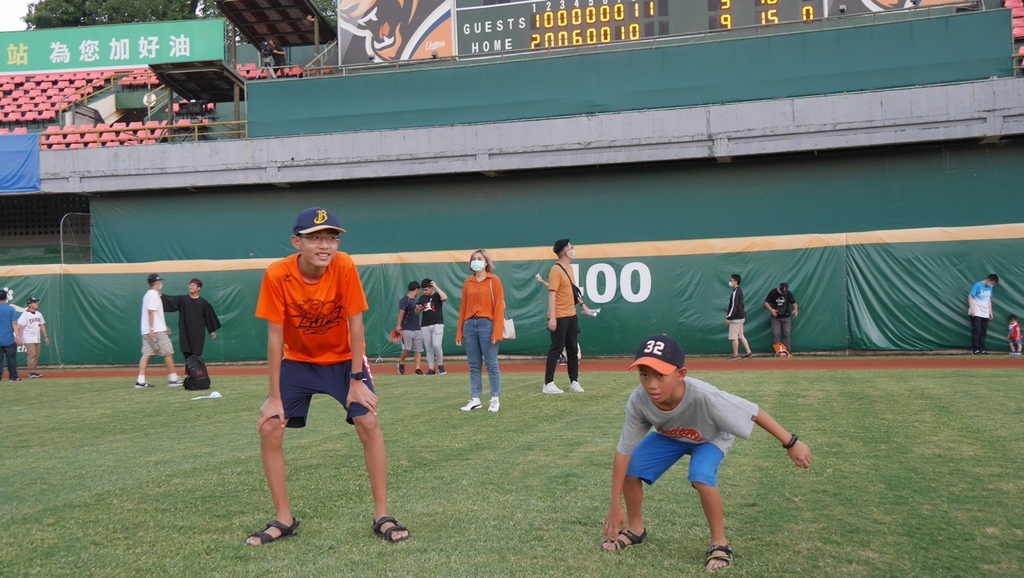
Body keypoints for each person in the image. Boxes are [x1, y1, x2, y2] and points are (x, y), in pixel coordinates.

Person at [247, 207, 409, 546]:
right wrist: (274, 396)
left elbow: (356, 324)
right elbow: (275, 338)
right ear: (297, 242)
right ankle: (283, 518)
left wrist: (355, 380)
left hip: (342, 361)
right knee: (270, 427)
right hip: (299, 361)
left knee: (368, 422)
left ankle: (383, 516)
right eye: (315, 238)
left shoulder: (344, 265)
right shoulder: (277, 275)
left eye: (331, 238)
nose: (325, 245)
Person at [602, 333, 812, 572]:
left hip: (711, 437)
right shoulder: (639, 400)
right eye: (644, 374)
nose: (651, 384)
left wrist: (790, 442)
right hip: (671, 435)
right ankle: (636, 530)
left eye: (661, 375)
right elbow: (623, 452)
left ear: (680, 374)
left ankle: (719, 542)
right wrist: (614, 504)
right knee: (631, 469)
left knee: (701, 474)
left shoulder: (705, 395)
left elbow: (753, 411)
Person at [455, 249, 505, 413]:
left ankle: (494, 399)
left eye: (479, 258)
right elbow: (463, 307)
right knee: (474, 365)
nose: (476, 261)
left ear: (486, 262)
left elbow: (499, 308)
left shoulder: (494, 281)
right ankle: (475, 398)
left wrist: (497, 332)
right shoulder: (468, 282)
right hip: (470, 325)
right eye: (473, 259)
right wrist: (460, 331)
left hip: (487, 324)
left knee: (491, 364)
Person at [542, 239, 592, 394]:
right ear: (565, 252)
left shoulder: (569, 268)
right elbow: (552, 295)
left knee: (572, 349)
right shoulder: (555, 270)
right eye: (571, 248)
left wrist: (583, 305)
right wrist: (553, 318)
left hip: (571, 315)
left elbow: (573, 291)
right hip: (560, 315)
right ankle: (548, 383)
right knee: (556, 349)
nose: (573, 250)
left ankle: (574, 381)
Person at [136, 274, 184, 388]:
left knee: (147, 354)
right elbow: (150, 312)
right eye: (160, 282)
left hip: (149, 330)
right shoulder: (153, 295)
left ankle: (140, 380)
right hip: (155, 331)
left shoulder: (148, 295)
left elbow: (154, 314)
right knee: (168, 352)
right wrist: (153, 330)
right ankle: (173, 378)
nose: (161, 283)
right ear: (157, 283)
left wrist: (163, 326)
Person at [161, 278, 222, 360]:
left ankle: (196, 372)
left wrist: (212, 330)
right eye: (190, 285)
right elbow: (170, 300)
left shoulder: (203, 303)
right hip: (185, 331)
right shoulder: (182, 300)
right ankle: (188, 372)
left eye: (193, 285)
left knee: (196, 354)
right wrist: (161, 296)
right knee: (187, 354)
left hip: (198, 332)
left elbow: (208, 316)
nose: (191, 286)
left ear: (198, 288)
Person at [417, 278, 448, 375]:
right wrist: (417, 309)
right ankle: (431, 368)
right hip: (425, 325)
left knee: (437, 345)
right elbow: (417, 312)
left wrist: (436, 286)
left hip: (437, 323)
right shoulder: (422, 298)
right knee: (429, 347)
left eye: (426, 289)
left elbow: (444, 298)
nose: (425, 291)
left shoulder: (437, 295)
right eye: (423, 290)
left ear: (431, 288)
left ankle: (440, 365)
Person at [395, 281, 425, 375]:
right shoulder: (404, 300)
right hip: (406, 328)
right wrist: (399, 326)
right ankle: (401, 362)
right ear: (416, 290)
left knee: (418, 350)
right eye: (419, 290)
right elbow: (401, 313)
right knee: (406, 349)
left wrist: (419, 310)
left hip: (417, 328)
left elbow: (416, 313)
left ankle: (417, 368)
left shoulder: (414, 301)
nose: (419, 292)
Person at [16, 297, 49, 378]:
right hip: (28, 338)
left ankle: (34, 371)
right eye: (34, 302)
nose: (36, 303)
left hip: (37, 337)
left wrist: (46, 336)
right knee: (32, 354)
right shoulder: (25, 314)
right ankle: (31, 372)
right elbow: (21, 327)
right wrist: (19, 338)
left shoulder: (39, 314)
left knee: (36, 355)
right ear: (29, 304)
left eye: (36, 302)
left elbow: (42, 325)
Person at [763, 282, 799, 352]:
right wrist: (771, 310)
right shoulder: (773, 292)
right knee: (776, 334)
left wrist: (795, 310)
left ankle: (787, 351)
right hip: (775, 318)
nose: (783, 292)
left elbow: (793, 302)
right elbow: (766, 303)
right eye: (782, 291)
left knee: (787, 334)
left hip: (786, 317)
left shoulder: (788, 293)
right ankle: (778, 351)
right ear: (779, 288)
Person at [968, 274, 998, 354]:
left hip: (985, 312)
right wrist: (972, 309)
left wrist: (990, 312)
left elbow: (989, 300)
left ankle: (982, 349)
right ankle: (976, 349)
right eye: (992, 283)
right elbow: (970, 297)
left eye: (993, 284)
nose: (992, 285)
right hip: (976, 311)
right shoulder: (977, 285)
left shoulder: (990, 287)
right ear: (989, 280)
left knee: (983, 331)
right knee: (977, 330)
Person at [725, 274, 752, 360]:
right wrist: (729, 309)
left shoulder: (736, 292)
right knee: (741, 335)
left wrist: (728, 317)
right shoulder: (739, 291)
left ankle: (736, 355)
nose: (730, 282)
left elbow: (734, 306)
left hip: (736, 318)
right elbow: (738, 305)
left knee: (734, 337)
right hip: (741, 317)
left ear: (735, 282)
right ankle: (748, 352)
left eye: (731, 280)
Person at [0, 289, 21, 382]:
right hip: (9, 339)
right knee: (11, 359)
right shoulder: (10, 309)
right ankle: (13, 377)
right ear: (6, 297)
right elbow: (14, 323)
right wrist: (18, 336)